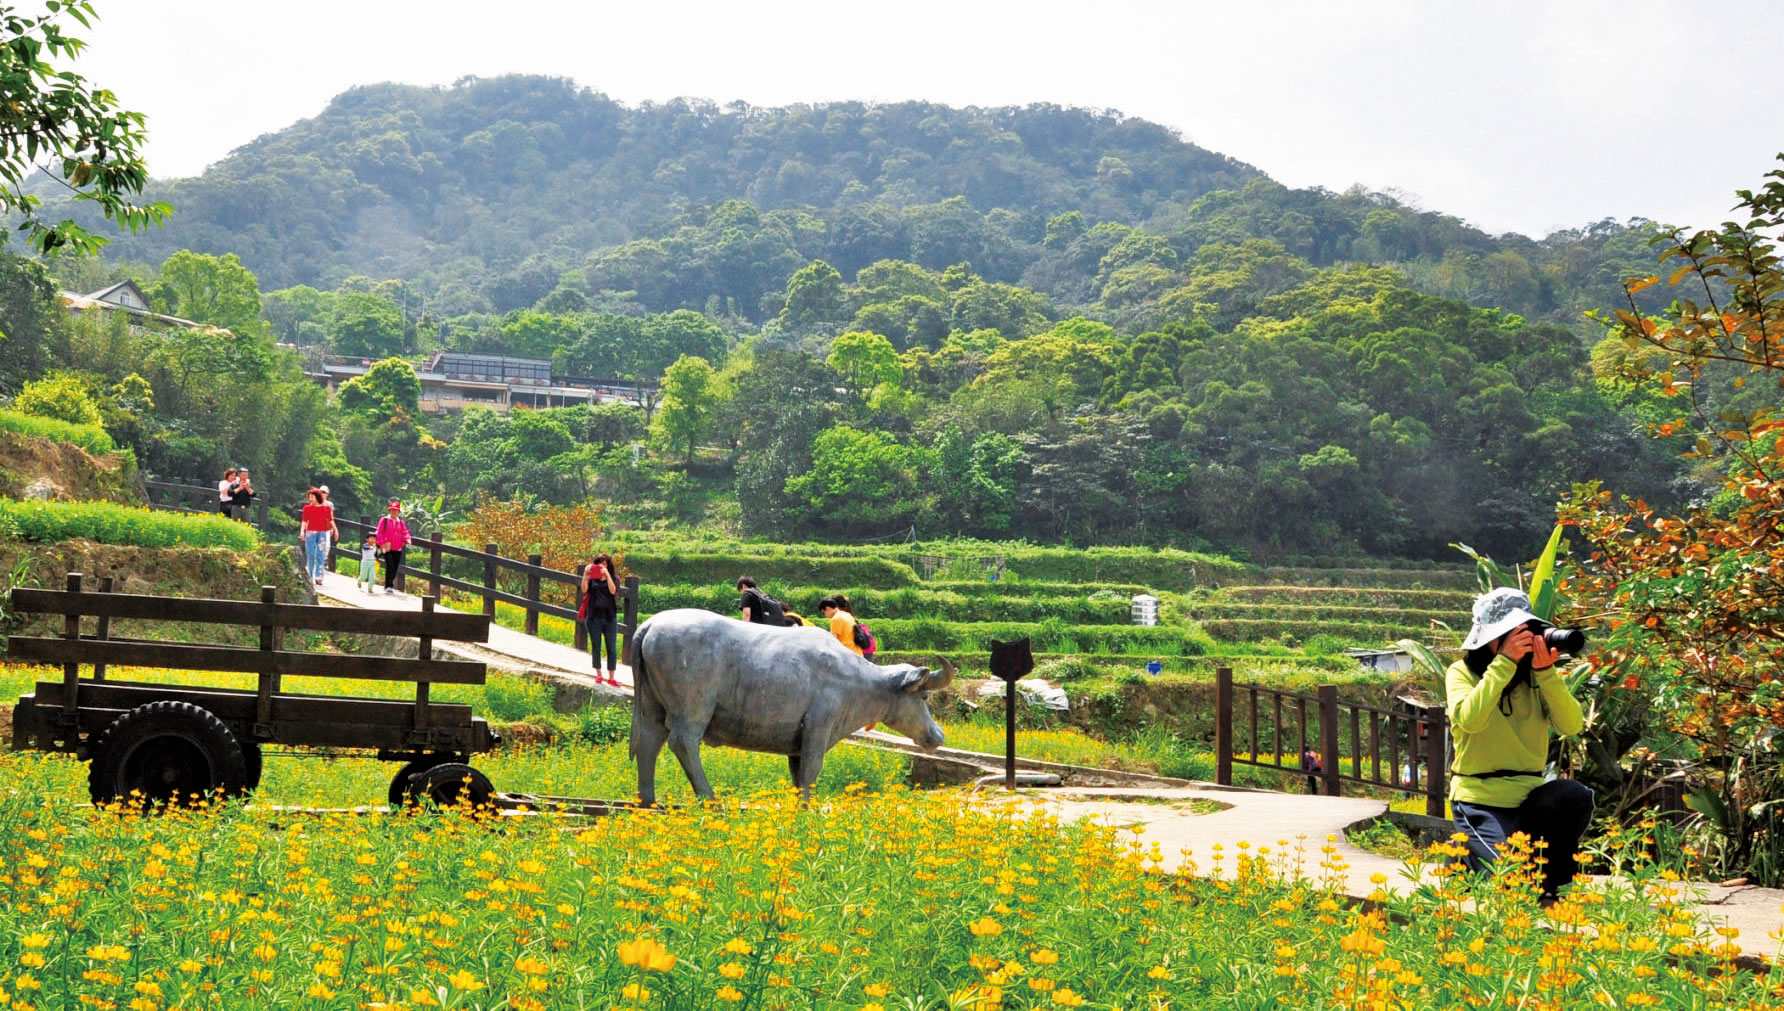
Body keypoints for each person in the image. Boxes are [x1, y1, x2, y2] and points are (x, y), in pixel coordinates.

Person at [1447, 586, 1591, 906]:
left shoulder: (1537, 678)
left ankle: (1553, 882)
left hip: (1529, 799)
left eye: (1524, 632)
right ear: (1488, 638)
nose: (1519, 640)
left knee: (1575, 796)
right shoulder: (1461, 673)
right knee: (1506, 881)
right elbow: (1470, 720)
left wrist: (1546, 673)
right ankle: (1464, 860)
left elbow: (1571, 726)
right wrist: (1504, 664)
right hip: (1479, 799)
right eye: (1509, 634)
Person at [579, 553, 621, 686]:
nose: (602, 567)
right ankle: (599, 675)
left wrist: (607, 575)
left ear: (608, 566)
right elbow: (584, 590)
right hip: (593, 617)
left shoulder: (614, 578)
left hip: (609, 617)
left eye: (604, 564)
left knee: (612, 648)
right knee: (596, 646)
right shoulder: (592, 579)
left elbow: (613, 591)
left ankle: (611, 677)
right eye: (599, 564)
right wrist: (585, 575)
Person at [299, 488, 338, 587]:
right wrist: (302, 532)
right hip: (310, 532)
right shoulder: (307, 508)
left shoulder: (326, 508)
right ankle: (309, 575)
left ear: (317, 497)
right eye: (309, 497)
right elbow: (304, 521)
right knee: (311, 553)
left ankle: (319, 577)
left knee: (321, 554)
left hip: (322, 533)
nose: (310, 499)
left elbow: (330, 520)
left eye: (312, 497)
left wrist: (335, 530)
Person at [373, 499, 412, 595]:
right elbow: (379, 532)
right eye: (392, 510)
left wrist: (408, 539)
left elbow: (405, 532)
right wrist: (381, 543)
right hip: (387, 547)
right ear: (389, 510)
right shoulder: (384, 520)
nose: (394, 512)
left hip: (397, 547)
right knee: (389, 565)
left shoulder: (401, 522)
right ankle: (388, 585)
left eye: (396, 510)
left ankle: (390, 584)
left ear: (398, 511)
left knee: (395, 567)